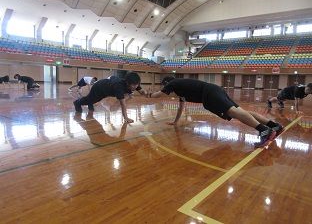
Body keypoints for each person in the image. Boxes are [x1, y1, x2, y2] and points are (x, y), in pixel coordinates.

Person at [149, 75, 285, 148]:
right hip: (213, 91)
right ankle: (274, 126)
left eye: (165, 85)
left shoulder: (174, 82)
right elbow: (181, 106)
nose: (166, 87)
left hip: (209, 93)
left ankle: (264, 131)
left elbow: (158, 95)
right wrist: (175, 121)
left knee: (233, 113)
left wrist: (148, 94)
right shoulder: (180, 89)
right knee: (239, 111)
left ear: (167, 82)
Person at [73, 71, 148, 123]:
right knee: (89, 100)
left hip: (105, 88)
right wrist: (126, 118)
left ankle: (89, 102)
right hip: (99, 88)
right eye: (134, 85)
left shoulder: (134, 83)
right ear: (127, 83)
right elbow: (123, 104)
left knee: (91, 100)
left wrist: (147, 94)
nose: (136, 86)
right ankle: (77, 102)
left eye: (137, 84)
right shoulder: (119, 86)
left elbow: (141, 92)